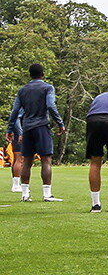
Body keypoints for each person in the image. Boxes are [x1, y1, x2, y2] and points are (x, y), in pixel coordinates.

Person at [5, 63, 65, 202]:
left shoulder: (22, 90)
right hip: (42, 126)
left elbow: (15, 111)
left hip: (27, 127)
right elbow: (50, 105)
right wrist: (60, 123)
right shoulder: (47, 88)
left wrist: (10, 129)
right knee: (46, 159)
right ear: (42, 74)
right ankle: (47, 194)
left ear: (30, 75)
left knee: (27, 160)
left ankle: (25, 194)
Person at [6, 113, 23, 192]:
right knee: (20, 158)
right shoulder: (23, 102)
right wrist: (20, 133)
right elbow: (17, 118)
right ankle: (16, 185)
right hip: (19, 133)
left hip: (17, 131)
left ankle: (16, 184)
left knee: (18, 158)